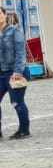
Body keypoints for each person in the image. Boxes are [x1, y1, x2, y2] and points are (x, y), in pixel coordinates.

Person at [1, 11, 29, 140]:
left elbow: (21, 53)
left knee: (16, 102)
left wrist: (17, 72)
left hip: (15, 72)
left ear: (5, 15)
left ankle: (24, 130)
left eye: (0, 13)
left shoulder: (14, 31)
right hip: (1, 73)